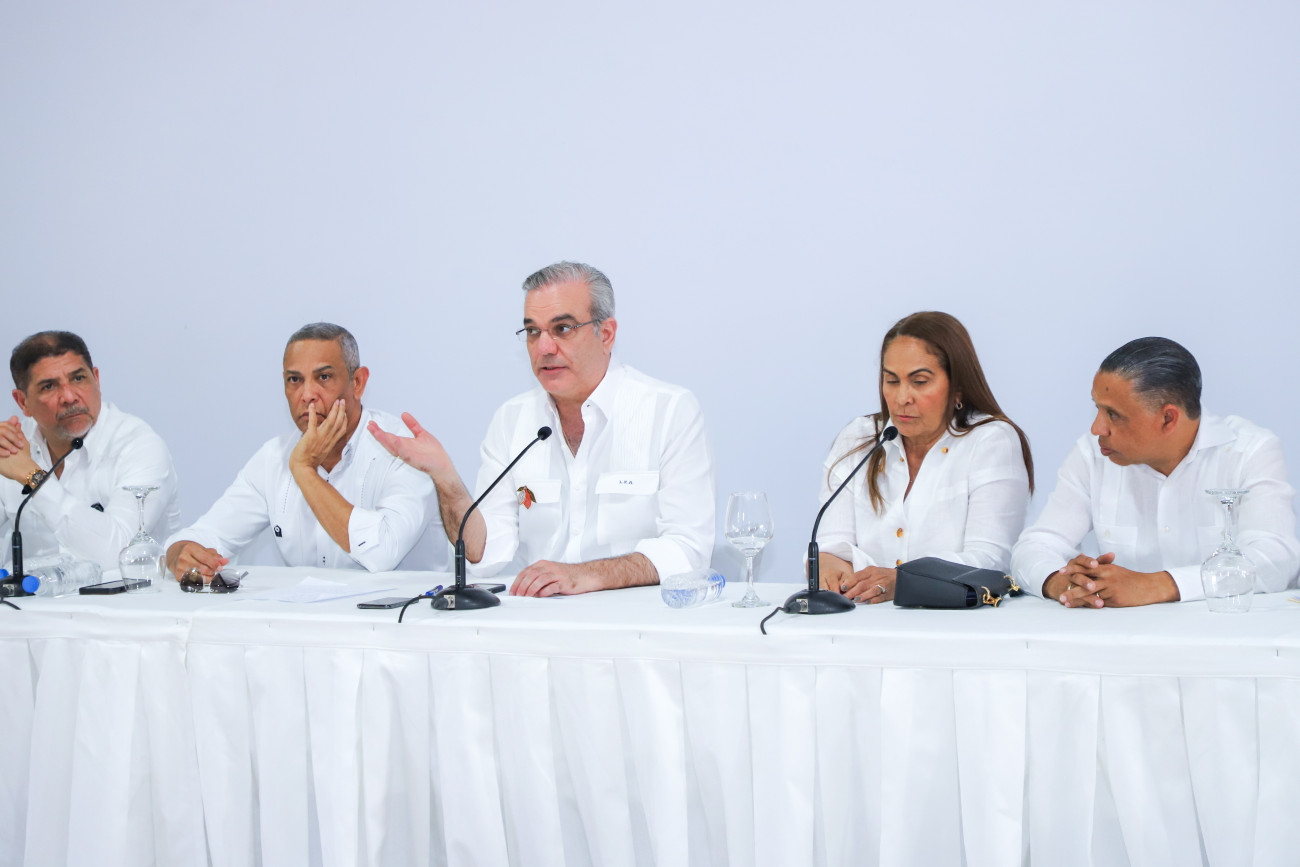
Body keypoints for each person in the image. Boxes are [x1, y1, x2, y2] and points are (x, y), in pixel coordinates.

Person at [370, 261, 715, 597]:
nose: (544, 348)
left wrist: (585, 575)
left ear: (606, 334)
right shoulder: (511, 420)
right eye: (533, 332)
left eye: (562, 329)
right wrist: (446, 479)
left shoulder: (669, 411)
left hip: (636, 623)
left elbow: (689, 550)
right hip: (538, 622)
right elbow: (485, 556)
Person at [1012, 337, 1300, 607]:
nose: (1097, 428)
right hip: (1117, 636)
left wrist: (1158, 585)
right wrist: (1064, 583)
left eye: (1113, 414)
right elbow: (1035, 546)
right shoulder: (1091, 454)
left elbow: (1276, 558)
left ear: (1168, 418)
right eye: (1097, 409)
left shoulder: (1249, 451)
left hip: (1226, 636)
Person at [165, 323, 445, 580]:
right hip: (310, 617)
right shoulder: (273, 458)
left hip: (405, 616)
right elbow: (205, 535)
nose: (307, 394)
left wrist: (304, 469)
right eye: (294, 380)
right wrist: (181, 552)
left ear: (358, 383)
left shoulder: (402, 449)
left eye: (323, 377)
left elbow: (382, 551)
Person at [817, 312, 1033, 604]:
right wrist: (831, 570)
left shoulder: (991, 441)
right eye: (892, 381)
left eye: (919, 381)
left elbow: (990, 561)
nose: (902, 398)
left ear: (958, 387)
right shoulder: (859, 437)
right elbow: (831, 546)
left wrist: (903, 581)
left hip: (957, 624)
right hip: (862, 618)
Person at [0, 331, 181, 570]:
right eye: (49, 386)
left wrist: (34, 477)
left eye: (78, 378)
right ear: (22, 402)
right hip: (34, 593)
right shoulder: (11, 446)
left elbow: (117, 555)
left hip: (127, 593)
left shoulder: (139, 446)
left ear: (96, 379)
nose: (69, 397)